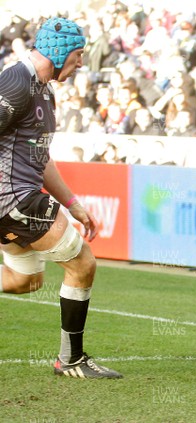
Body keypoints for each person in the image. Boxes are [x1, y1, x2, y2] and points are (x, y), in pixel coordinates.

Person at [0, 17, 122, 379]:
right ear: (60, 51)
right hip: (13, 200)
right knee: (83, 264)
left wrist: (73, 203)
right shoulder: (16, 82)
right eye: (79, 54)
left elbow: (41, 158)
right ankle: (71, 360)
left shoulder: (44, 90)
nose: (82, 63)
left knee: (26, 281)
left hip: (20, 197)